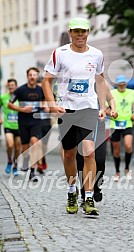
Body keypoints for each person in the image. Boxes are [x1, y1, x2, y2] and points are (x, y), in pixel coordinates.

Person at [42, 17, 107, 215]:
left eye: (84, 31)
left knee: (89, 151)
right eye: (76, 31)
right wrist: (52, 103)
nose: (80, 35)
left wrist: (102, 106)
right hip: (66, 110)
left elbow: (101, 81)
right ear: (70, 33)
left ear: (88, 33)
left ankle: (88, 198)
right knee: (69, 153)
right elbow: (46, 81)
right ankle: (72, 192)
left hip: (88, 108)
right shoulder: (59, 53)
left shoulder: (97, 54)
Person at [77, 85, 117, 205]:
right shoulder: (78, 83)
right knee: (81, 160)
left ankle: (97, 186)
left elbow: (111, 99)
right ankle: (84, 192)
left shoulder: (100, 84)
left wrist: (112, 110)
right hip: (80, 125)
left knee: (99, 159)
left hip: (98, 127)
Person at [8, 67, 45, 181]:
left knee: (34, 142)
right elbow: (10, 104)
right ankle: (25, 160)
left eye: (34, 75)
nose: (32, 77)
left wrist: (45, 106)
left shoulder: (41, 90)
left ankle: (32, 171)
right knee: (24, 148)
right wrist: (22, 109)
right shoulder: (20, 90)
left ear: (37, 77)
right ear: (27, 76)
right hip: (23, 121)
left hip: (36, 121)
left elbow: (46, 101)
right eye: (30, 75)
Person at [108, 75, 134, 182]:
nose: (122, 86)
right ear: (116, 85)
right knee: (116, 150)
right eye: (120, 84)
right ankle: (117, 172)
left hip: (127, 123)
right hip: (114, 123)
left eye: (123, 84)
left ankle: (127, 168)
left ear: (126, 84)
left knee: (128, 145)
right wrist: (111, 113)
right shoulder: (111, 93)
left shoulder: (132, 93)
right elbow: (106, 108)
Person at [0, 79, 21, 175]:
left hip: (19, 126)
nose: (11, 87)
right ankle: (9, 161)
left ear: (16, 86)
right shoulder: (3, 97)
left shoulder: (20, 97)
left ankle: (15, 165)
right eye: (9, 85)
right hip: (8, 125)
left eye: (12, 85)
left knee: (17, 147)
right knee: (10, 145)